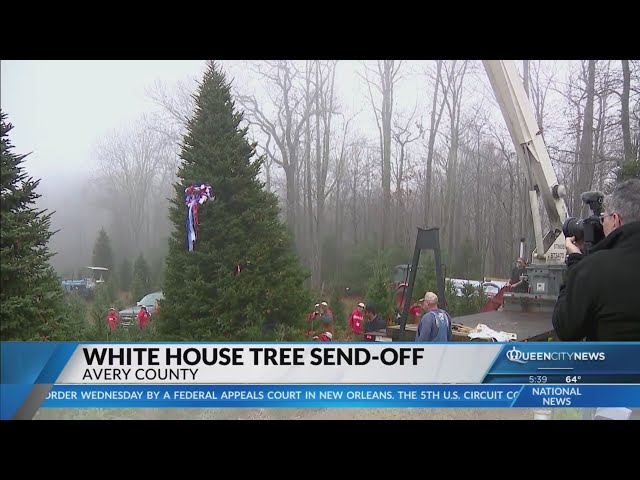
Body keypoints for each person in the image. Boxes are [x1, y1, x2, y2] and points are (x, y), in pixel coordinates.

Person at [552, 179, 640, 341]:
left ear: (615, 220)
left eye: (603, 218)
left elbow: (565, 328)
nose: (602, 224)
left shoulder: (595, 270)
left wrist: (575, 262)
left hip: (611, 365)